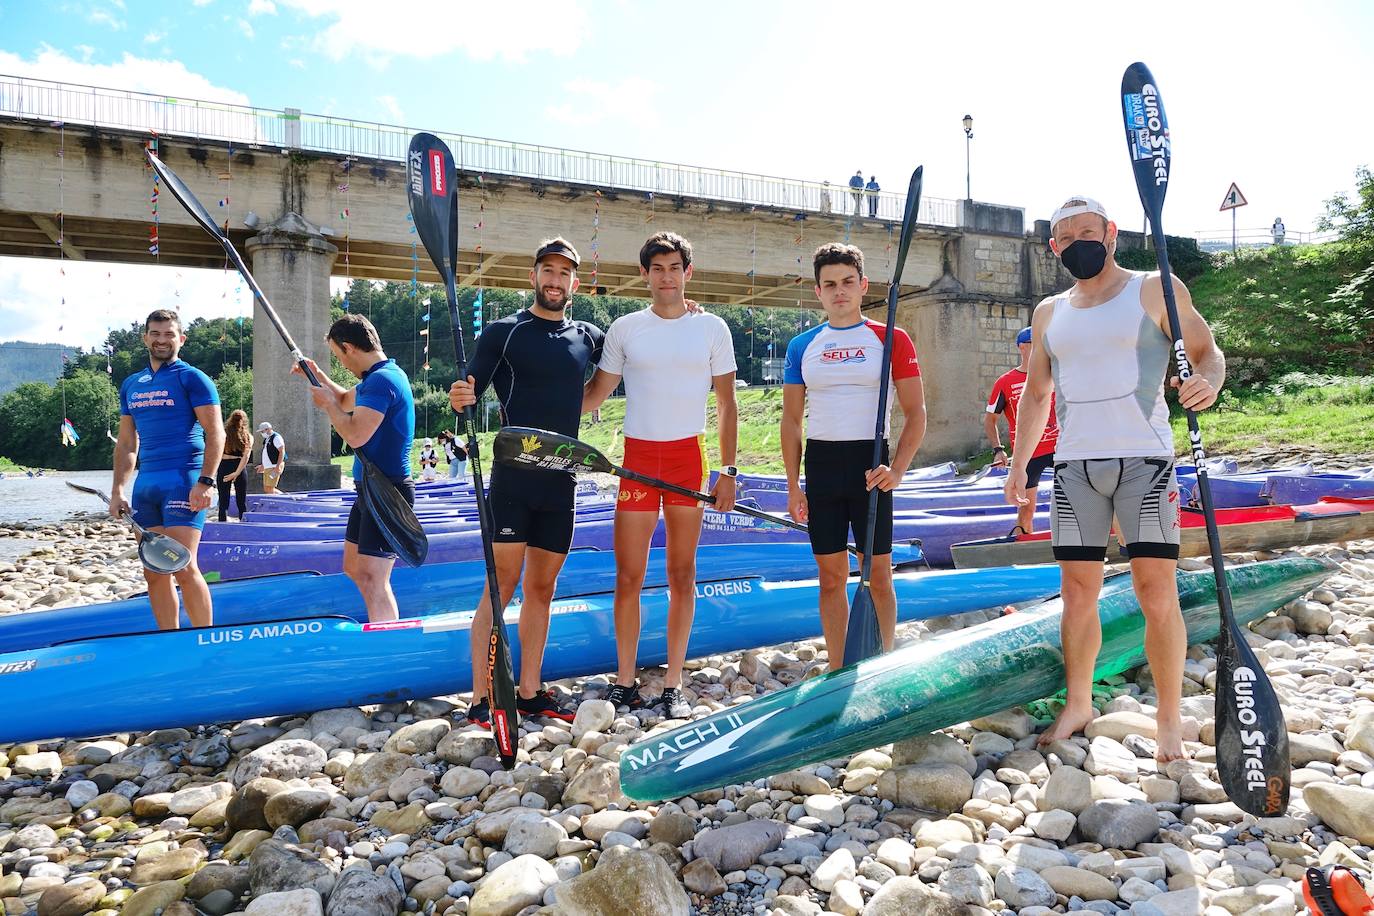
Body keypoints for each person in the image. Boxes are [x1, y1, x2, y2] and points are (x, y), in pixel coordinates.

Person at [1005, 196, 1225, 763]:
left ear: (1110, 233)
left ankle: (1169, 722)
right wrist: (1019, 466)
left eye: (1088, 230)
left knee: (1157, 593)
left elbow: (1207, 353)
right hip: (1074, 467)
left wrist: (1207, 382)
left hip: (1144, 463)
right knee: (1078, 593)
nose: (1078, 240)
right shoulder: (1050, 312)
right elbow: (1036, 394)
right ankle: (1079, 702)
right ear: (1054, 248)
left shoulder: (1155, 287)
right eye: (1065, 235)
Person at [449, 237, 606, 724]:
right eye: (547, 271)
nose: (555, 280)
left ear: (574, 284)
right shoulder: (505, 332)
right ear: (533, 277)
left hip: (562, 480)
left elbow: (626, 357)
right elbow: (469, 392)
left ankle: (531, 691)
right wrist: (460, 398)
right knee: (500, 585)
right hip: (514, 477)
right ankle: (480, 696)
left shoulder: (588, 336)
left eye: (564, 273)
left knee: (543, 589)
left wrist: (682, 310)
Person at [582, 231, 738, 718]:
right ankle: (625, 681)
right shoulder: (626, 329)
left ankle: (673, 681)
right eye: (658, 268)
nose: (666, 277)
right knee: (628, 575)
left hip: (687, 460)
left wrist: (727, 470)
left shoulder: (712, 327)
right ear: (646, 274)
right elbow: (594, 395)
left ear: (687, 273)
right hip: (637, 461)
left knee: (681, 574)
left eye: (675, 268)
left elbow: (729, 405)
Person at [781, 243, 926, 668]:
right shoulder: (802, 345)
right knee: (830, 579)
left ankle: (882, 664)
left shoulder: (891, 337)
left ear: (863, 285)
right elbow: (791, 422)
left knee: (878, 575)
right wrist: (793, 486)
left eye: (847, 282)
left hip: (871, 467)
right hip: (822, 468)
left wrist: (897, 470)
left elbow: (916, 412)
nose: (839, 291)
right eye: (830, 285)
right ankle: (840, 667)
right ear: (818, 292)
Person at [294, 314, 415, 624]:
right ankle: (381, 627)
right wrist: (318, 376)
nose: (342, 364)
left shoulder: (382, 381)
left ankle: (388, 639)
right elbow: (346, 400)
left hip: (388, 493)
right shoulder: (377, 377)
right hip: (369, 491)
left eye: (338, 356)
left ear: (348, 348)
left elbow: (355, 433)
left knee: (375, 578)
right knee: (354, 567)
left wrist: (327, 407)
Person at [111, 308, 224, 630]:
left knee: (183, 567)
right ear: (145, 337)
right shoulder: (131, 384)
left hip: (183, 481)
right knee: (154, 570)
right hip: (146, 486)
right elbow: (126, 444)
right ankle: (169, 640)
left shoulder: (192, 378)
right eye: (156, 334)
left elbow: (216, 433)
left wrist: (205, 481)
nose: (162, 340)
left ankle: (204, 639)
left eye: (169, 334)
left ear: (181, 339)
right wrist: (118, 490)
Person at [984, 327, 1058, 534]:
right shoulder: (1005, 382)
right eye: (1036, 345)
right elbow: (990, 420)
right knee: (1027, 508)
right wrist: (998, 449)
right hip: (1028, 453)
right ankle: (1023, 548)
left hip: (1059, 448)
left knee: (1077, 502)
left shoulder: (1055, 375)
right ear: (1022, 348)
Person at [217, 409, 252, 522]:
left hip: (224, 466)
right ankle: (244, 525)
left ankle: (222, 526)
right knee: (241, 500)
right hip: (240, 467)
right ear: (245, 421)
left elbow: (218, 454)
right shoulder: (248, 436)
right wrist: (236, 473)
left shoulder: (223, 434)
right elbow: (246, 457)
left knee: (223, 500)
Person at [256, 421, 286, 494]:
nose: (262, 433)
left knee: (270, 488)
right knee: (267, 488)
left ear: (268, 429)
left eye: (262, 431)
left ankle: (284, 499)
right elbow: (267, 453)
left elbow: (282, 451)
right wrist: (263, 465)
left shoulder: (276, 438)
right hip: (269, 467)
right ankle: (284, 497)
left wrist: (277, 467)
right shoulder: (268, 439)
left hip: (274, 467)